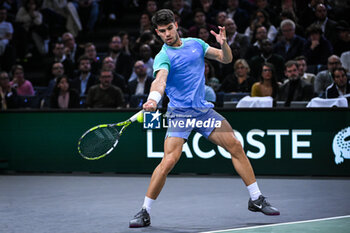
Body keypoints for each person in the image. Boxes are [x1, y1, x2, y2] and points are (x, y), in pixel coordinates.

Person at [129, 9, 279, 228]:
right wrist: (153, 99)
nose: (167, 34)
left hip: (203, 112)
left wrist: (224, 44)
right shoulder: (163, 56)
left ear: (176, 25)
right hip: (180, 114)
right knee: (169, 161)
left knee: (236, 145)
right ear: (157, 33)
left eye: (169, 28)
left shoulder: (196, 44)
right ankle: (144, 211)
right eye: (162, 31)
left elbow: (226, 59)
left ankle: (256, 198)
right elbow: (159, 81)